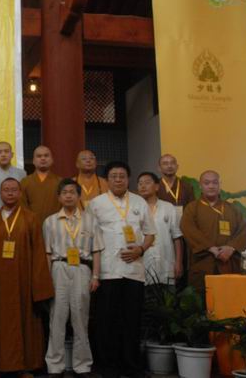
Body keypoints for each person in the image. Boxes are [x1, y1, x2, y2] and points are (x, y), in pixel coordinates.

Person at [84, 161, 155, 378]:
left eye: (122, 176)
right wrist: (94, 271)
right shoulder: (96, 204)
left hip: (134, 270)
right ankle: (108, 366)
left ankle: (132, 366)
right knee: (107, 320)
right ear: (107, 179)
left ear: (128, 178)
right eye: (113, 176)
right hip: (107, 270)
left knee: (132, 320)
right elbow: (88, 237)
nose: (118, 179)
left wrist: (140, 249)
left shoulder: (139, 202)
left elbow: (150, 233)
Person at [0, 178, 53, 374]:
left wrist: (38, 286)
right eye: (6, 189)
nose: (10, 193)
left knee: (26, 322)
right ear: (0, 193)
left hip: (24, 279)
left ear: (20, 193)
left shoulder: (31, 218)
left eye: (14, 189)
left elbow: (38, 251)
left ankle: (26, 366)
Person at [44, 179, 102, 377]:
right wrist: (47, 279)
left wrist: (96, 275)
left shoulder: (91, 220)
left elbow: (96, 250)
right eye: (64, 192)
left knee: (80, 318)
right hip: (58, 268)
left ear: (79, 196)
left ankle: (83, 365)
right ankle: (55, 366)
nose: (68, 195)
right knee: (57, 318)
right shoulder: (50, 221)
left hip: (82, 269)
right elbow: (47, 253)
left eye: (72, 192)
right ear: (59, 197)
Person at [180, 170, 246, 295]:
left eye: (215, 183)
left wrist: (231, 247)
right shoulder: (192, 208)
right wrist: (210, 248)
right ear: (200, 185)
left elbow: (243, 230)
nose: (211, 186)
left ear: (220, 185)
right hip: (203, 262)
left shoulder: (232, 209)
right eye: (207, 183)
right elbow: (188, 229)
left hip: (228, 262)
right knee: (203, 299)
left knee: (229, 298)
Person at [137, 172, 183, 286]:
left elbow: (176, 237)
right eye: (140, 183)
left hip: (166, 262)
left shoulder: (168, 207)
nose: (143, 186)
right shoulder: (134, 208)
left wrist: (178, 262)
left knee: (167, 296)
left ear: (157, 187)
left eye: (147, 182)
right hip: (142, 263)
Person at [20, 145, 61, 224]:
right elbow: (22, 206)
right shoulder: (25, 182)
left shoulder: (60, 182)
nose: (43, 158)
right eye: (39, 156)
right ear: (33, 161)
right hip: (31, 224)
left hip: (55, 224)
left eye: (46, 156)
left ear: (52, 160)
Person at [0, 141, 26, 207]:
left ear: (12, 155)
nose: (3, 155)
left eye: (6, 151)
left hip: (17, 210)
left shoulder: (21, 173)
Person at [157, 154, 195, 219]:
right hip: (161, 222)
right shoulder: (154, 186)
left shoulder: (187, 186)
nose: (169, 166)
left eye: (172, 163)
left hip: (182, 222)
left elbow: (192, 209)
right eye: (165, 163)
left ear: (177, 167)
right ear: (159, 168)